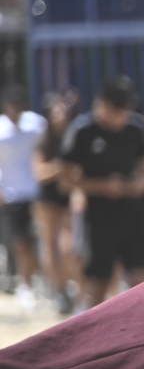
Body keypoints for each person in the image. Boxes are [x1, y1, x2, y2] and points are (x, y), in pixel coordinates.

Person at [58, 76, 144, 307]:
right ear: (102, 105)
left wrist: (138, 185)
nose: (121, 117)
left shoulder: (137, 129)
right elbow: (65, 180)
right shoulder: (83, 131)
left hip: (133, 215)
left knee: (140, 279)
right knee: (98, 283)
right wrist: (102, 186)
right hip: (99, 218)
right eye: (116, 110)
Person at [33, 91, 82, 315]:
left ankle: (75, 289)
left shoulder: (75, 136)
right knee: (51, 245)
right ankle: (59, 290)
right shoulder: (45, 140)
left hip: (68, 196)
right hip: (49, 197)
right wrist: (59, 170)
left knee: (69, 246)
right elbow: (39, 172)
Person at [0, 86, 46, 309]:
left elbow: (44, 151)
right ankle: (25, 284)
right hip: (10, 194)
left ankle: (37, 282)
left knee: (36, 241)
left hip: (35, 193)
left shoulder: (36, 124)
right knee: (19, 243)